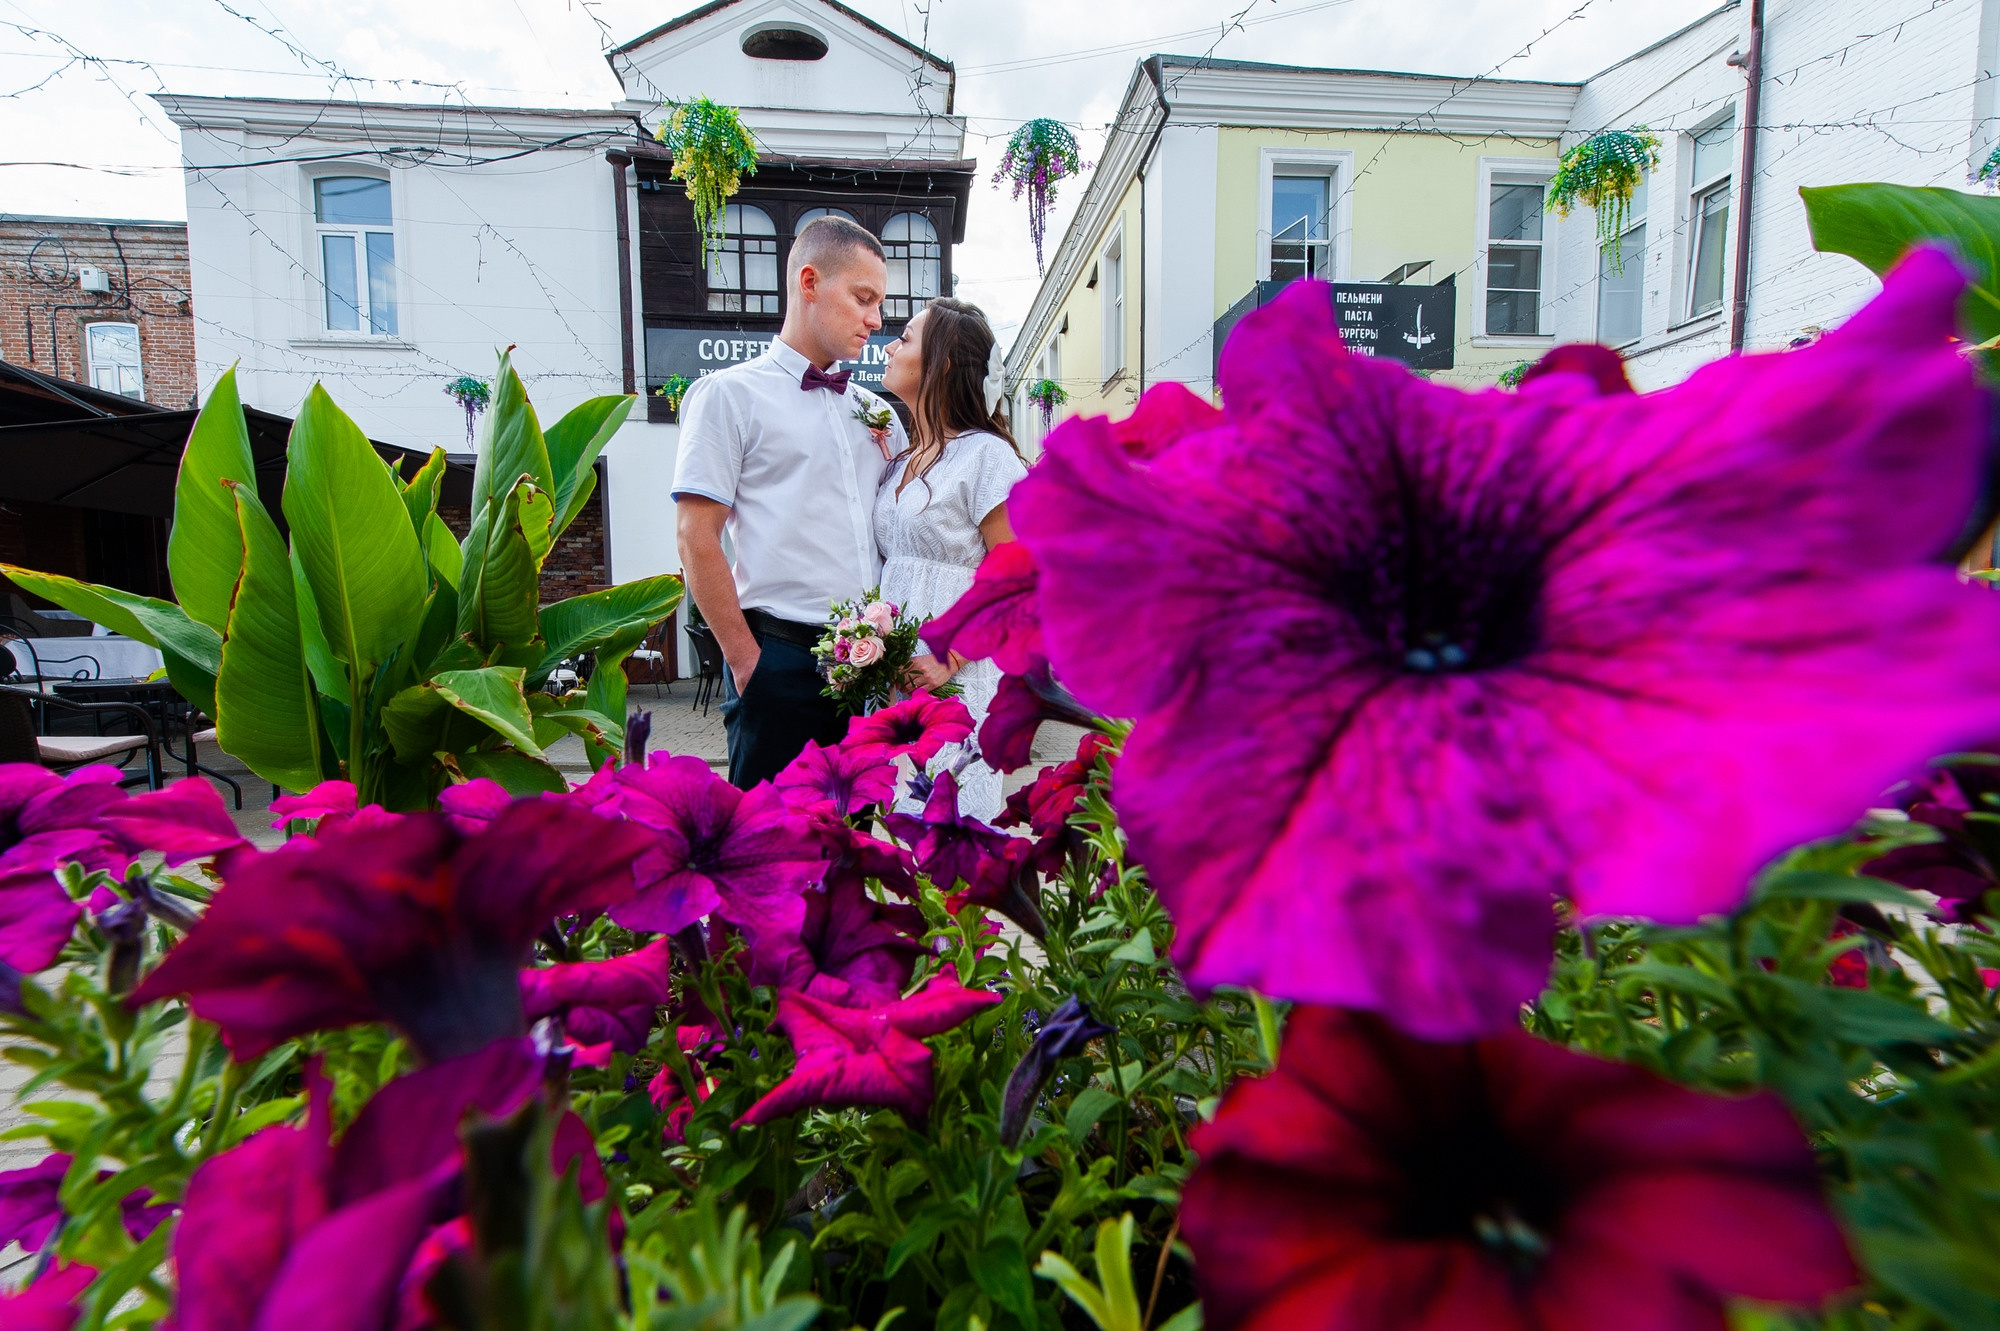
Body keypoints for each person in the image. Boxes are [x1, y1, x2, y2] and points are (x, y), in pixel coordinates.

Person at [673, 216, 906, 789]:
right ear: (809, 283)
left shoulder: (877, 414)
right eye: (863, 298)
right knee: (767, 857)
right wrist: (748, 663)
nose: (876, 321)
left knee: (853, 854)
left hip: (866, 670)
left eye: (880, 304)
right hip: (777, 659)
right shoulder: (728, 396)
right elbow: (695, 537)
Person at [876, 298, 1029, 821]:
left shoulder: (987, 456)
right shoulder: (898, 460)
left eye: (908, 337)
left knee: (950, 831)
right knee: (897, 834)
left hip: (955, 676)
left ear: (940, 363)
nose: (891, 344)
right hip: (897, 679)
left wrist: (952, 658)